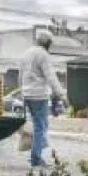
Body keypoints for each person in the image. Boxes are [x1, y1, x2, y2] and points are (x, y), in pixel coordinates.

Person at [20, 29, 66, 167]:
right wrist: (61, 94)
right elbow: (51, 76)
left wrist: (22, 91)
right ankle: (36, 158)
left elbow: (20, 74)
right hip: (39, 95)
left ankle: (35, 153)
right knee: (41, 127)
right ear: (47, 42)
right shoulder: (43, 55)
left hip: (27, 94)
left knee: (36, 125)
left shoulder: (26, 53)